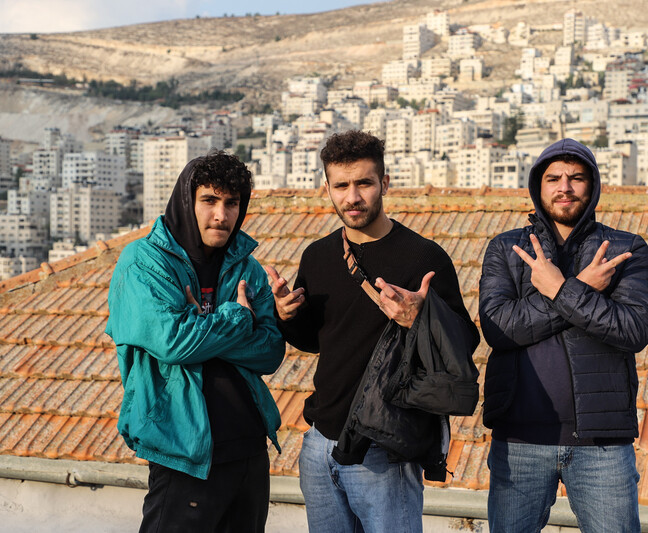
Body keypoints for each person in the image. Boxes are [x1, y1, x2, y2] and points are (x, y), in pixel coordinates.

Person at [266, 130, 478, 533]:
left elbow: (465, 342)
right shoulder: (318, 256)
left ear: (384, 183)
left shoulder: (423, 256)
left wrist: (421, 316)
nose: (352, 197)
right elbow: (315, 341)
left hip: (385, 449)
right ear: (326, 188)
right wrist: (286, 314)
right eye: (341, 186)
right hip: (320, 444)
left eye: (363, 183)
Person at [479, 138, 648, 533]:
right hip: (519, 440)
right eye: (553, 178)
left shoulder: (625, 249)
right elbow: (498, 328)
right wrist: (580, 288)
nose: (565, 187)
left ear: (592, 186)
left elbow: (634, 329)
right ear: (537, 187)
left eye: (576, 178)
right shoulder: (507, 249)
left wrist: (561, 289)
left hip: (602, 443)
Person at [106, 150, 285, 533]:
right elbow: (173, 342)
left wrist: (200, 323)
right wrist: (236, 317)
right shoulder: (143, 262)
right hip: (183, 455)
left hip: (251, 451)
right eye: (209, 200)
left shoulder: (246, 267)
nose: (221, 215)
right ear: (186, 202)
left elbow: (270, 350)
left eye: (231, 203)